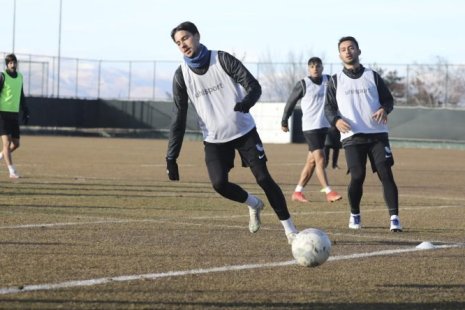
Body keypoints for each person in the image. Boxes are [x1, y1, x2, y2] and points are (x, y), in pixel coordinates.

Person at [166, 21, 299, 244]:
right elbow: (178, 117)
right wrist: (171, 157)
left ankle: (290, 230)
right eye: (178, 43)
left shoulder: (222, 59)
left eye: (186, 38)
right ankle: (254, 204)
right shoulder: (181, 76)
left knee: (264, 178)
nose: (183, 44)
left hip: (244, 131)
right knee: (219, 184)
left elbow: (254, 86)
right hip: (214, 139)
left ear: (197, 36)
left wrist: (246, 103)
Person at [324, 36, 402, 232]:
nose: (348, 51)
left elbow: (388, 100)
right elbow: (328, 108)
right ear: (339, 54)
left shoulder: (373, 76)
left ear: (359, 51)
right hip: (352, 137)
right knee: (357, 176)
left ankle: (394, 218)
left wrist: (385, 109)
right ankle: (355, 214)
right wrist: (336, 120)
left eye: (351, 48)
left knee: (386, 174)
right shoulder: (335, 81)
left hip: (377, 135)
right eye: (343, 49)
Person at [281, 57, 342, 204]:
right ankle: (328, 191)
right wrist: (284, 120)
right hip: (310, 127)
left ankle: (298, 192)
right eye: (312, 66)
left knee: (311, 162)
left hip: (324, 126)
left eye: (318, 66)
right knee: (321, 159)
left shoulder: (329, 80)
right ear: (309, 69)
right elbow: (291, 102)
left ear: (322, 67)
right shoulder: (303, 84)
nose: (315, 68)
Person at [0, 53, 30, 179]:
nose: (13, 65)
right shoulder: (2, 76)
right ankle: (12, 171)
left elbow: (21, 95)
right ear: (7, 64)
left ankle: (1, 155)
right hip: (2, 114)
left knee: (16, 144)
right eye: (10, 63)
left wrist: (25, 110)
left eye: (14, 62)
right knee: (6, 144)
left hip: (14, 114)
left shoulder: (20, 77)